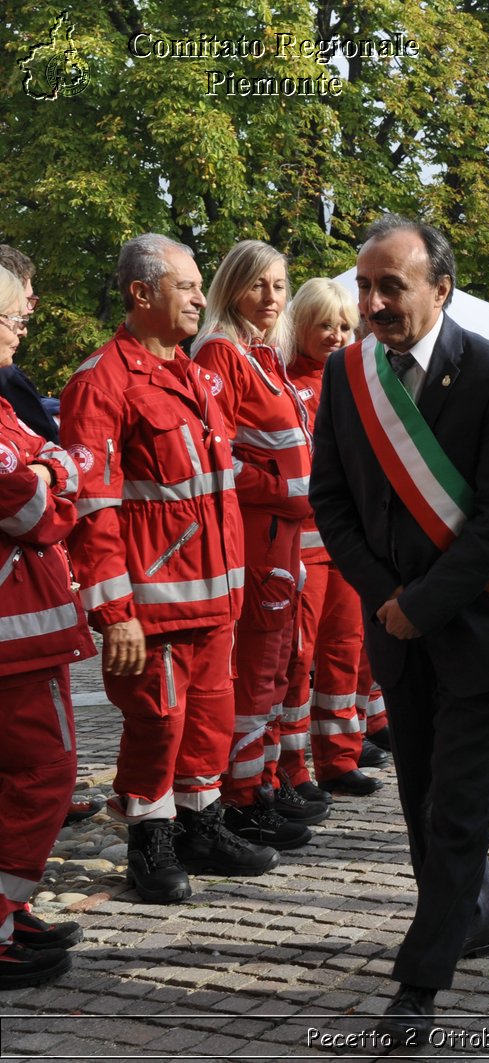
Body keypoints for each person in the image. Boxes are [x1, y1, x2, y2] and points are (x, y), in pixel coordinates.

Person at [309, 215, 489, 1038]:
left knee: (458, 810)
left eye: (390, 285)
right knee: (420, 800)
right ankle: (469, 916)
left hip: (475, 627)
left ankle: (419, 984)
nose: (373, 302)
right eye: (364, 286)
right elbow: (329, 500)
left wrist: (423, 601)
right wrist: (385, 597)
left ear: (441, 288)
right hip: (396, 630)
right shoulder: (348, 376)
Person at [61, 234, 277, 904]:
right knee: (157, 725)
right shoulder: (101, 383)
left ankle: (200, 824)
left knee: (210, 720)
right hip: (152, 606)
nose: (197, 298)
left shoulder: (197, 375)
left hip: (215, 599)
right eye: (185, 286)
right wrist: (115, 612)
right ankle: (148, 842)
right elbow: (91, 509)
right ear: (141, 293)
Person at [192, 241, 325, 848]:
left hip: (283, 534)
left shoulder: (262, 354)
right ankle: (243, 799)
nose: (271, 299)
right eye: (257, 286)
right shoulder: (222, 352)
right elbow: (213, 452)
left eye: (279, 286)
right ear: (231, 289)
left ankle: (263, 784)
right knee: (256, 669)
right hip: (257, 532)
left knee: (278, 664)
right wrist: (277, 489)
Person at [0, 265, 94, 988]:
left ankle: (8, 909)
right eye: (11, 319)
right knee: (44, 774)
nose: (19, 330)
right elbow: (31, 506)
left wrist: (51, 470)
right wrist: (56, 472)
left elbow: (50, 465)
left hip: (28, 627)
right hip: (15, 633)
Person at [280, 278, 390, 802]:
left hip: (347, 542)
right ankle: (292, 764)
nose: (335, 335)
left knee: (345, 652)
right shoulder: (280, 378)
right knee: (297, 661)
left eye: (345, 327)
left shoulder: (356, 379)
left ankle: (339, 758)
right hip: (298, 544)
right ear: (298, 323)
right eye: (324, 324)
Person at [0, 246, 57, 445]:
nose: (29, 310)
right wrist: (50, 470)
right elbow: (47, 439)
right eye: (27, 300)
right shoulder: (5, 373)